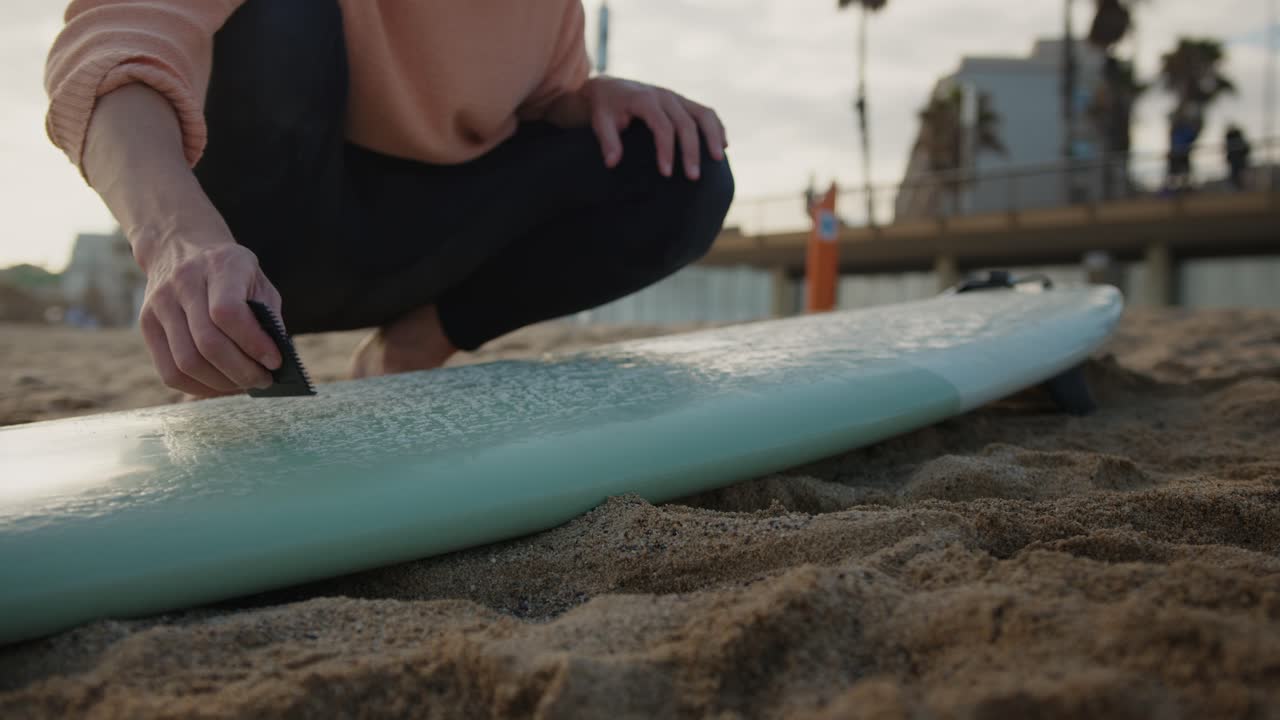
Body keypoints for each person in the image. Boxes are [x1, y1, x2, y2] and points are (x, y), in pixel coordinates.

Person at [45, 1, 734, 397]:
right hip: (249, 248)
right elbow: (112, 51)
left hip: (422, 247)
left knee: (678, 161)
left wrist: (585, 99)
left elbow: (538, 104)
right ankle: (230, 343)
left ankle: (408, 349)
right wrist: (177, 240)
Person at [1224, 125, 1252, 191]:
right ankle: (1238, 189)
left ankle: (1242, 188)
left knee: (1241, 176)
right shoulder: (1231, 137)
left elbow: (1246, 149)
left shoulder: (1234, 137)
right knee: (1236, 176)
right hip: (1236, 162)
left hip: (1240, 161)